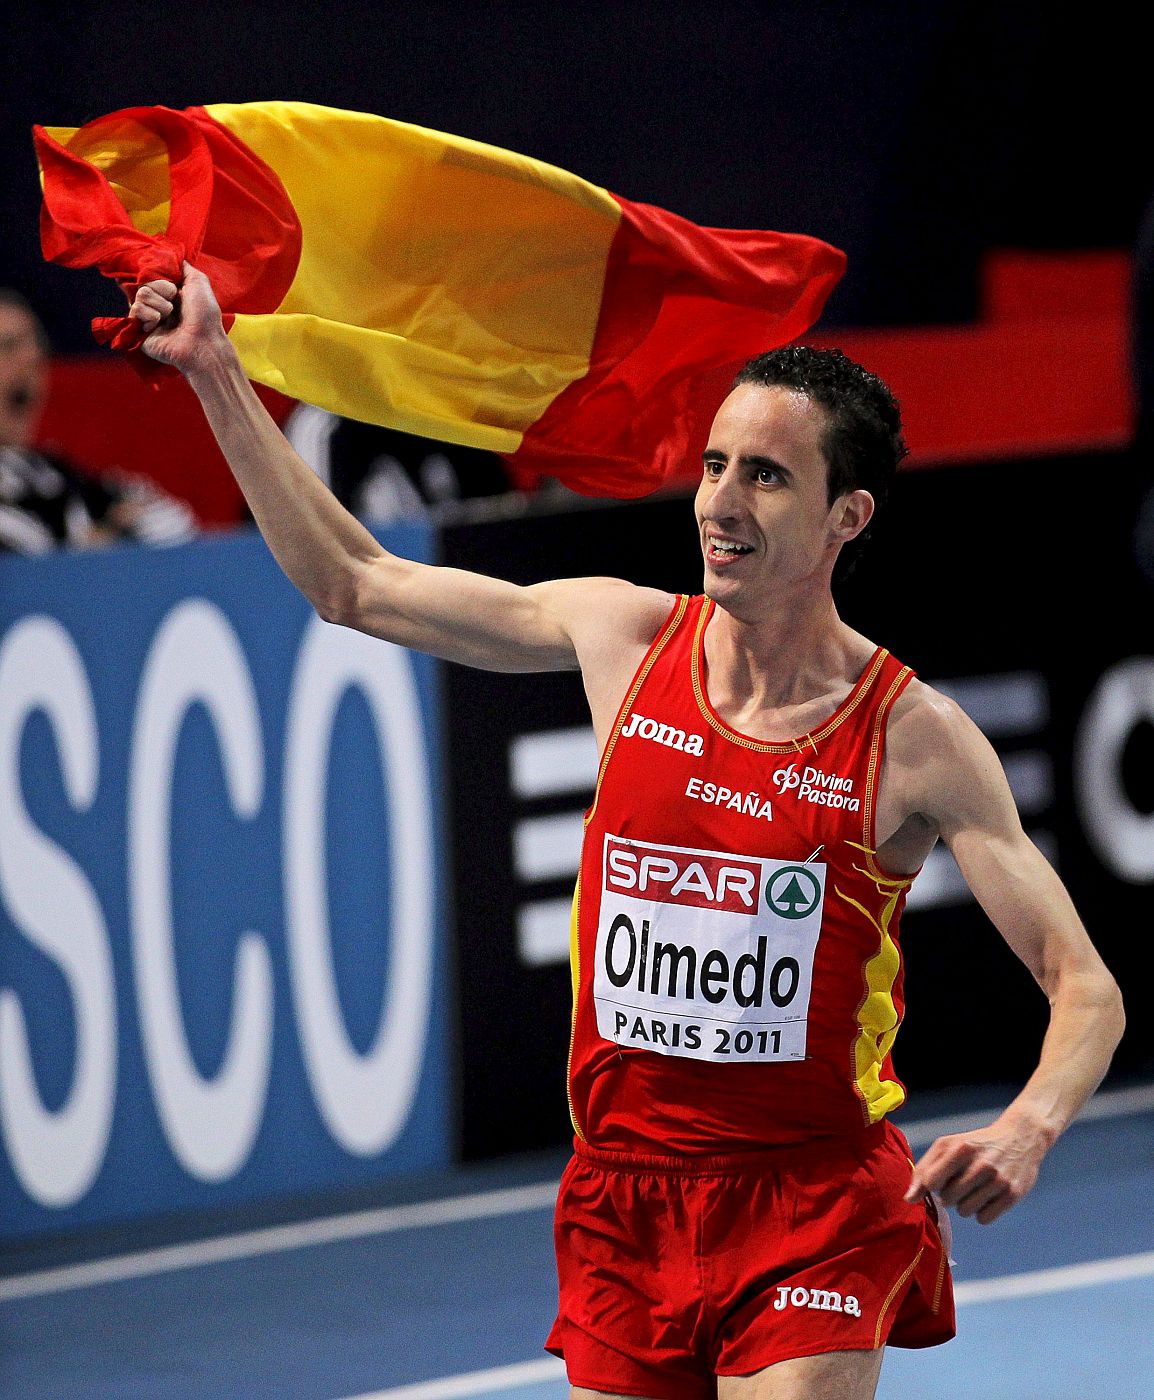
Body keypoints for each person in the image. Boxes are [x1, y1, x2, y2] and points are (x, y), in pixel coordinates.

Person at [127, 263, 1124, 1400]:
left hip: (812, 1198)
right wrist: (215, 370)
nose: (719, 502)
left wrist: (1028, 1126)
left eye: (765, 475)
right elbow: (357, 583)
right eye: (712, 465)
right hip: (622, 1198)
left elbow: (1082, 983)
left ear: (847, 514)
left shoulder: (914, 737)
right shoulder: (621, 635)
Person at [0, 287, 195, 554]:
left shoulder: (59, 477)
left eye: (36, 346)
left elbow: (177, 526)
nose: (32, 360)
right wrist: (85, 548)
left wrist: (116, 533)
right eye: (7, 347)